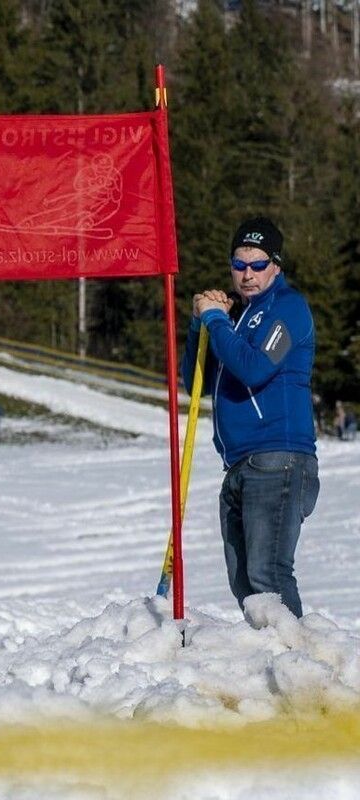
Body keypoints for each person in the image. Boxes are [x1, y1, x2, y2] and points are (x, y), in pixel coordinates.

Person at [182, 216, 318, 618]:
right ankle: (269, 665)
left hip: (278, 457)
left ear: (275, 265)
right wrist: (198, 326)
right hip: (239, 463)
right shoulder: (239, 317)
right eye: (239, 264)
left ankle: (296, 664)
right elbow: (195, 384)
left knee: (268, 576)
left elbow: (256, 368)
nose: (247, 274)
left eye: (257, 265)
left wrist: (216, 320)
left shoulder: (289, 308)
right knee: (244, 583)